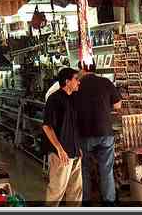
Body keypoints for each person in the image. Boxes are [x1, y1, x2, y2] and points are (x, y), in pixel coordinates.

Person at [74, 61, 122, 206]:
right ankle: (109, 203)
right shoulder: (106, 82)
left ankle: (86, 202)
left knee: (85, 170)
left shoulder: (78, 85)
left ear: (83, 69)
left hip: (84, 134)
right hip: (105, 132)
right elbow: (118, 105)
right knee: (106, 170)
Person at [42, 68, 82, 206]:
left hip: (75, 152)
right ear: (67, 81)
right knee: (57, 190)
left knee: (76, 191)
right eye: (76, 79)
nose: (79, 82)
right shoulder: (54, 99)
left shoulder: (73, 98)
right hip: (61, 154)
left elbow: (73, 126)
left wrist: (78, 147)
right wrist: (59, 148)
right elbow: (47, 126)